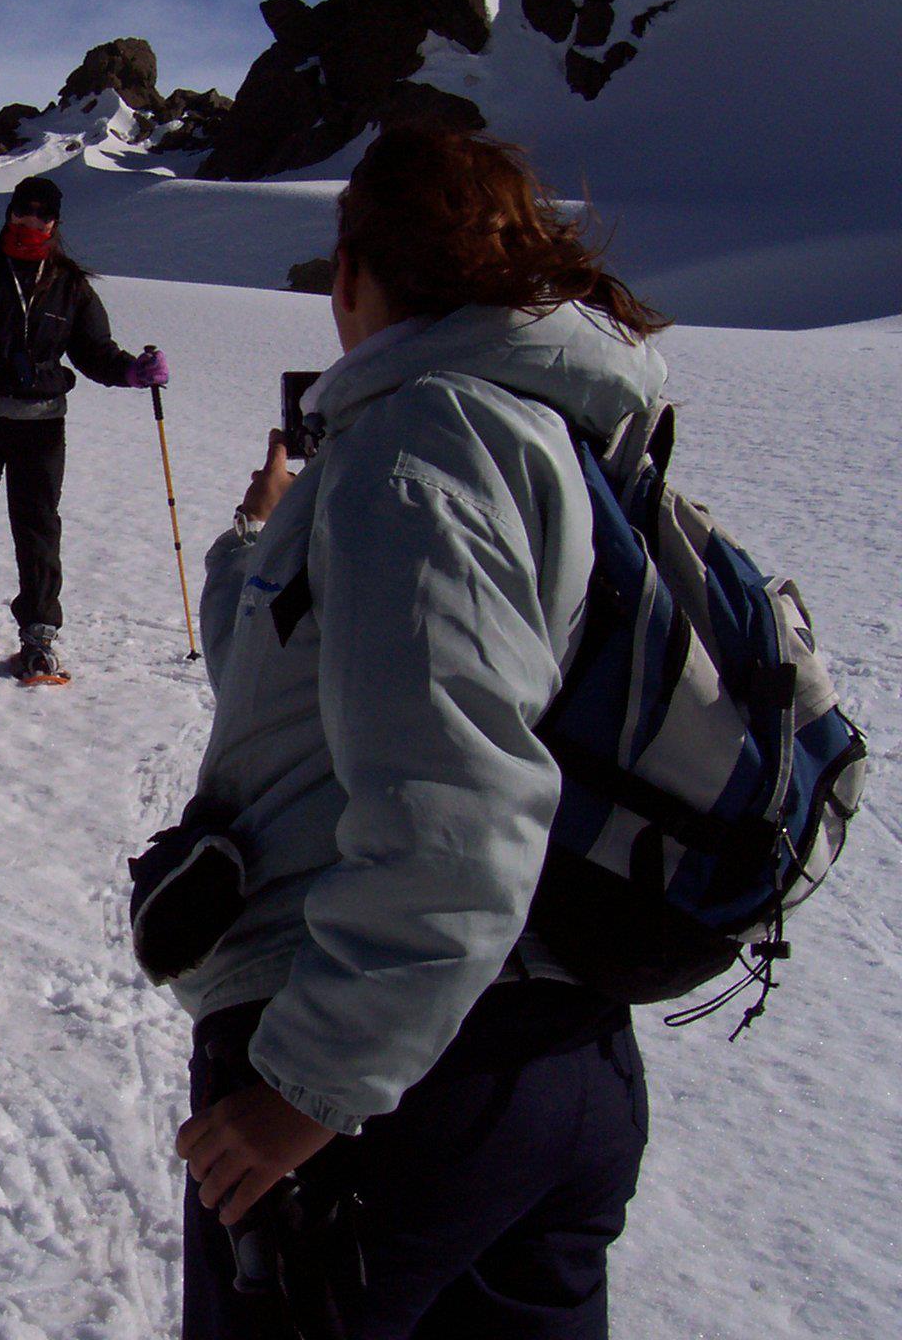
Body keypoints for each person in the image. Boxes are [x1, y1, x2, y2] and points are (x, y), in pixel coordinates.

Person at [149, 126, 671, 1338]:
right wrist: (259, 537)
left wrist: (304, 1094)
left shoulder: (413, 443)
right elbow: (294, 692)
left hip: (393, 1085)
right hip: (558, 1061)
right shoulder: (562, 437)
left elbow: (456, 806)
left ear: (351, 271)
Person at [0, 175, 166, 681]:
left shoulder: (68, 284)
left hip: (40, 424)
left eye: (41, 214)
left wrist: (132, 371)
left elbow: (94, 352)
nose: (30, 220)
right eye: (23, 210)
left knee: (38, 526)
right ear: (9, 214)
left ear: (54, 222)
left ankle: (39, 632)